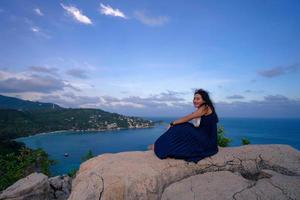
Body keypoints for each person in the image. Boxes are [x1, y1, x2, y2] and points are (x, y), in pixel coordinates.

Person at [148, 88, 219, 163]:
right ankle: (160, 145)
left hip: (207, 141)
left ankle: (159, 146)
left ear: (204, 100)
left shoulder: (205, 107)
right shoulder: (204, 108)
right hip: (206, 139)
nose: (195, 101)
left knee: (182, 127)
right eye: (194, 98)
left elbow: (188, 118)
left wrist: (172, 123)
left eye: (198, 99)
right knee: (182, 127)